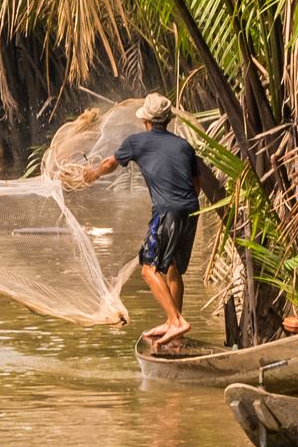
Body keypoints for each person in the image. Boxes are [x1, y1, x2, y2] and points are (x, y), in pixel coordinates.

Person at [64, 94, 211, 351]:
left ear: (145, 120)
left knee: (147, 268)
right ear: (167, 121)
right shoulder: (184, 146)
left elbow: (110, 163)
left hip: (166, 212)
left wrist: (91, 175)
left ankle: (176, 322)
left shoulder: (137, 142)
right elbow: (196, 186)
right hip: (190, 209)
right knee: (173, 269)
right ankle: (172, 326)